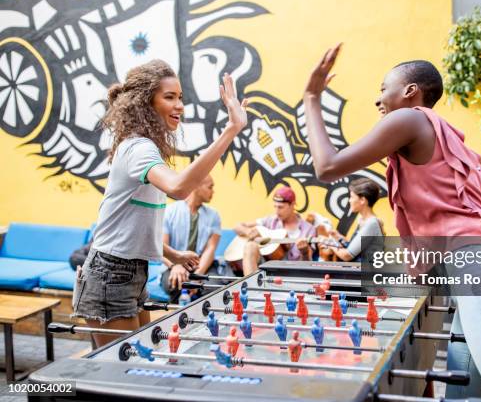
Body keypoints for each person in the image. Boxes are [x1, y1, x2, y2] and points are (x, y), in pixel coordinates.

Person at [303, 44, 481, 401]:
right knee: (463, 398)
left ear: (410, 92)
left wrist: (312, 96)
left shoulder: (409, 118)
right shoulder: (454, 152)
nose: (378, 100)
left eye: (382, 88)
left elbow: (327, 167)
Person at [72, 60, 249, 347]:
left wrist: (172, 253)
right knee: (120, 373)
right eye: (170, 97)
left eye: (180, 97)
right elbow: (179, 188)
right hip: (110, 274)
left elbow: (133, 224)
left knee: (137, 360)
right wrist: (231, 129)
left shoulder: (146, 147)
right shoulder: (138, 148)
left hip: (129, 271)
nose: (179, 105)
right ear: (145, 102)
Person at [161, 175, 228, 303]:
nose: (213, 191)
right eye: (210, 187)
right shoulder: (170, 212)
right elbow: (162, 247)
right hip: (173, 264)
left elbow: (211, 249)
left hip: (203, 265)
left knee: (214, 289)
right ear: (196, 186)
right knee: (176, 283)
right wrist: (175, 265)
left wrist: (199, 274)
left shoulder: (214, 215)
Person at [233, 186, 316, 275]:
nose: (276, 211)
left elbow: (307, 264)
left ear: (292, 204)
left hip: (290, 271)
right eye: (275, 207)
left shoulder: (308, 229)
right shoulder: (271, 220)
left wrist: (305, 253)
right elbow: (237, 226)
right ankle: (251, 286)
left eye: (280, 207)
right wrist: (248, 232)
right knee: (250, 246)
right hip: (264, 268)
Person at [325, 178, 384, 262]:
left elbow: (347, 255)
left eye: (352, 197)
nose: (349, 200)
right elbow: (354, 248)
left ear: (362, 200)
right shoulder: (362, 220)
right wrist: (338, 237)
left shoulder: (371, 223)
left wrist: (330, 244)